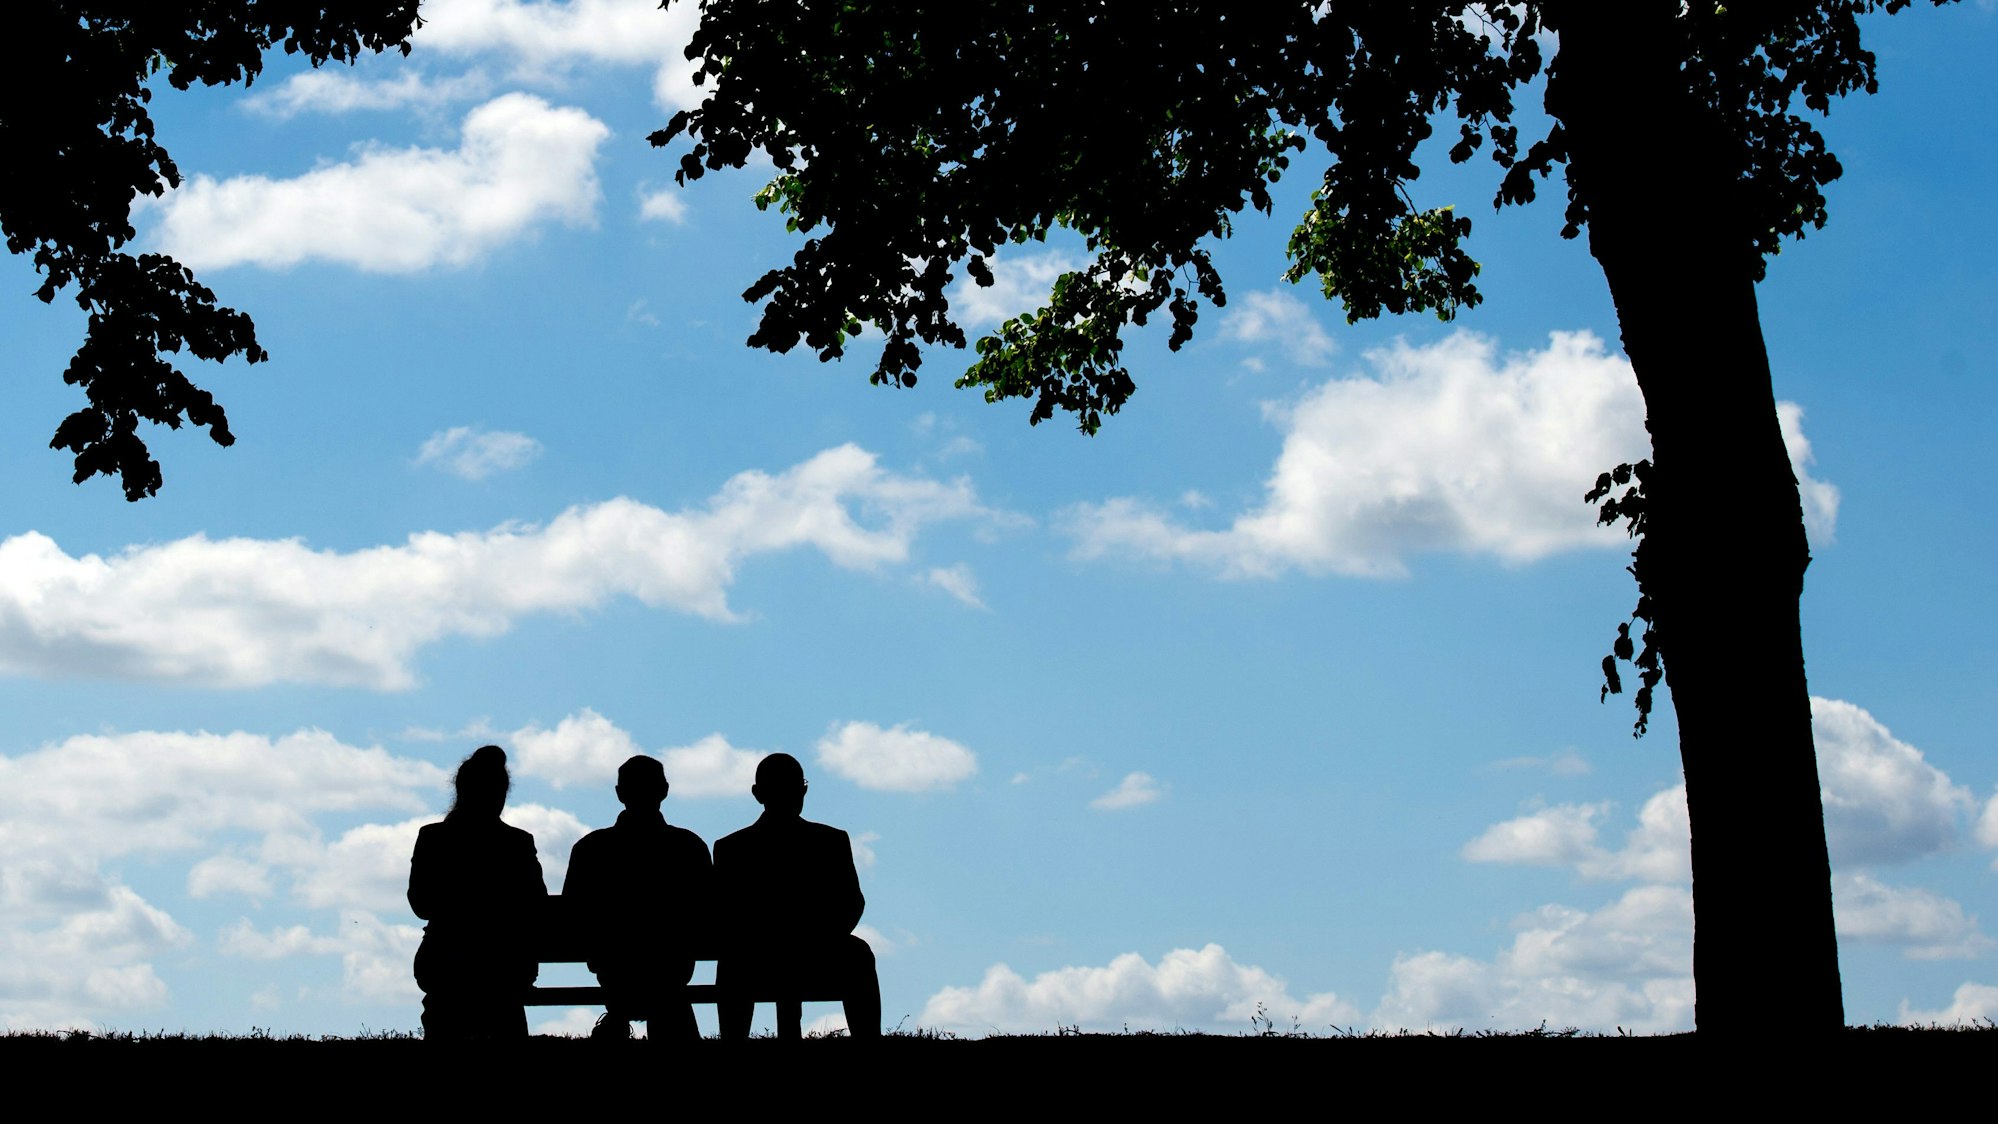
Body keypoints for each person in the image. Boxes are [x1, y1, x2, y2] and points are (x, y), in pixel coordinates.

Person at [715, 752, 881, 1039]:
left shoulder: (731, 848)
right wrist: (822, 936)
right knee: (858, 954)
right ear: (803, 790)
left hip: (755, 955)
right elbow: (852, 902)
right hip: (819, 950)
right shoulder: (832, 841)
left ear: (757, 794)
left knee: (732, 960)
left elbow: (724, 911)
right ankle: (868, 1043)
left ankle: (733, 1044)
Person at [563, 755, 713, 1042]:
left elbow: (572, 916)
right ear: (664, 790)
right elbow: (708, 912)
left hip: (614, 968)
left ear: (620, 794)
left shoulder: (590, 849)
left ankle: (615, 1021)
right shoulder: (689, 847)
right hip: (671, 967)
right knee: (669, 985)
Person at [408, 744, 548, 1040]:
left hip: (444, 961)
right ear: (501, 794)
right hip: (505, 965)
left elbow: (420, 903)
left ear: (460, 790)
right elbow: (537, 906)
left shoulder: (432, 838)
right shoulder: (517, 843)